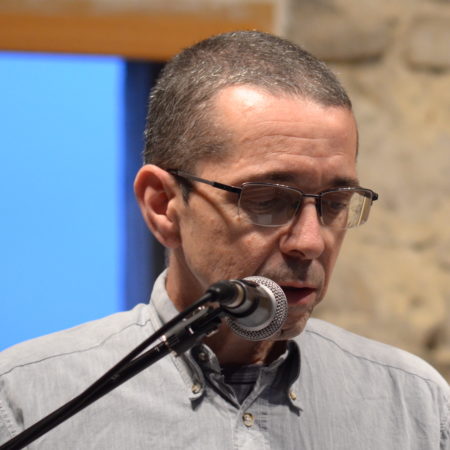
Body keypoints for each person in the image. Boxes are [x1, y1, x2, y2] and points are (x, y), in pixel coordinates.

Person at [0, 31, 448, 450]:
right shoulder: (30, 400)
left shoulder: (414, 404)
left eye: (334, 203)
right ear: (163, 205)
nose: (311, 242)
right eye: (268, 200)